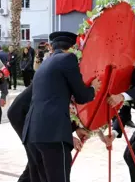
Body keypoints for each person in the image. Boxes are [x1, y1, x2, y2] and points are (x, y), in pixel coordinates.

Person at [22, 31, 101, 182]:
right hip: (53, 136)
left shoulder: (45, 64)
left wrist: (74, 127)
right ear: (72, 48)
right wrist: (93, 88)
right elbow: (82, 96)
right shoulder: (68, 59)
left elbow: (52, 100)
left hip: (32, 134)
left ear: (52, 47)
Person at [7, 83, 86, 182]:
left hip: (34, 117)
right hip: (23, 115)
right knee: (40, 161)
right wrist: (67, 135)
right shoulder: (63, 75)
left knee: (37, 162)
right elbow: (51, 111)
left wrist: (77, 128)